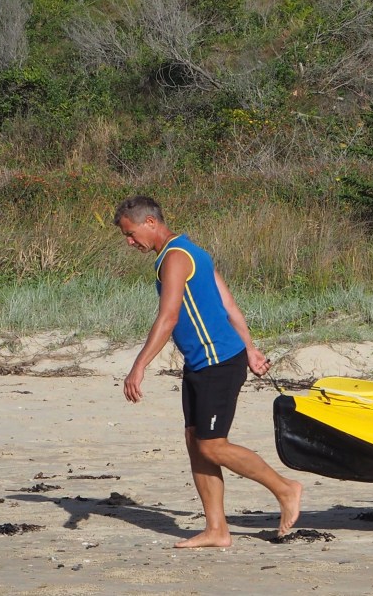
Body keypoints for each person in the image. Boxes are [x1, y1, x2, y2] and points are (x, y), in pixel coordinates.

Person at [114, 195, 302, 548]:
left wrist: (138, 367)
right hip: (202, 364)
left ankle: (285, 488)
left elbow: (168, 317)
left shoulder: (175, 258)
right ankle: (217, 529)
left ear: (150, 223)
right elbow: (228, 304)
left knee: (213, 446)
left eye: (130, 233)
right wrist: (250, 348)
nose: (129, 241)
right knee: (196, 446)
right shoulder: (192, 251)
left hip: (218, 363)